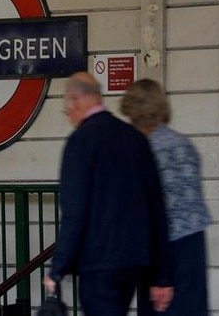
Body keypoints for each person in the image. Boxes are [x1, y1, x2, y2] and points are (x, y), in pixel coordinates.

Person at [43, 72, 173, 316]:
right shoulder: (136, 139)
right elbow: (157, 208)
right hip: (135, 260)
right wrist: (162, 275)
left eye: (66, 109)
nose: (68, 115)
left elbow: (75, 213)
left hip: (99, 262)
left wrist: (57, 267)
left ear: (75, 100)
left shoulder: (79, 142)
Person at [120, 78, 211, 315]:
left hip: (161, 249)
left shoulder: (142, 150)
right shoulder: (184, 144)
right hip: (193, 245)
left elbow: (145, 210)